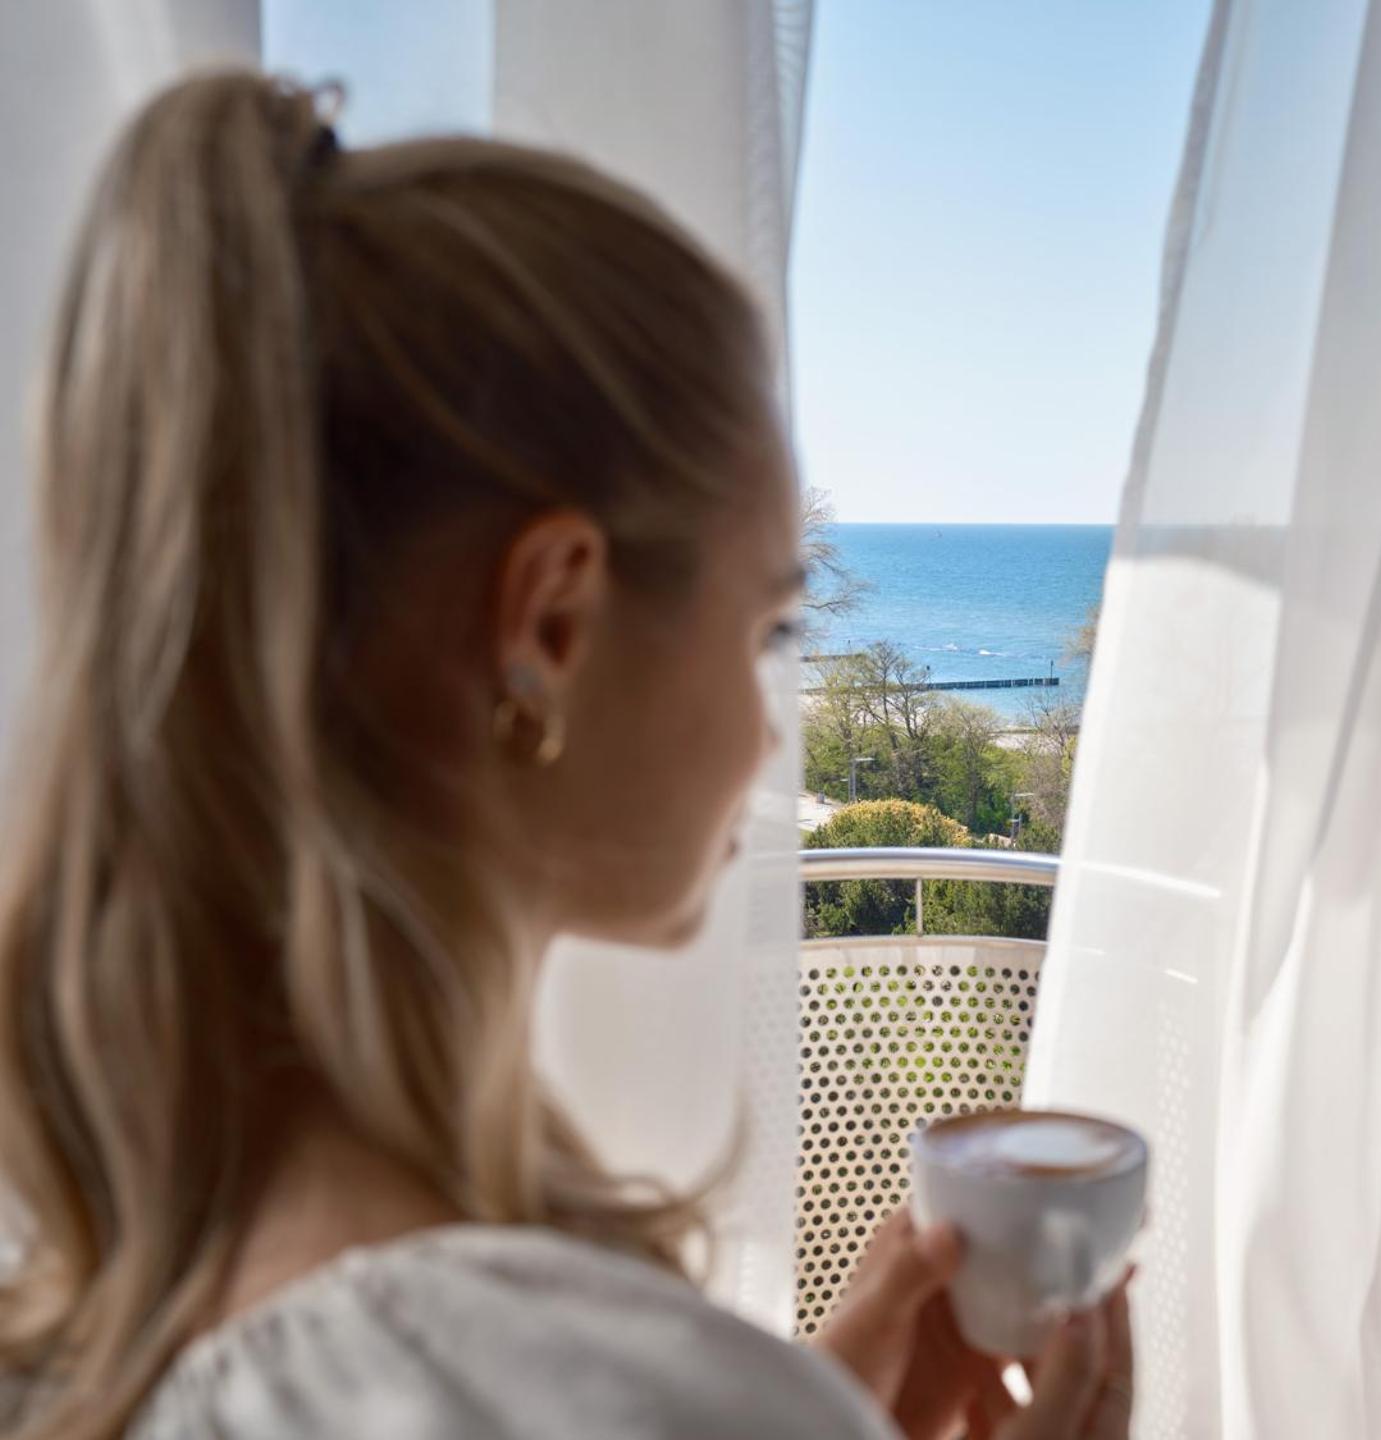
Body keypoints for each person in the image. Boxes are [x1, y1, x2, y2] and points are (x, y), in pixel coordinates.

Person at [0, 71, 1133, 1439]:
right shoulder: (638, 1397)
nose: (770, 730)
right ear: (550, 622)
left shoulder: (81, 1321)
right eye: (769, 629)